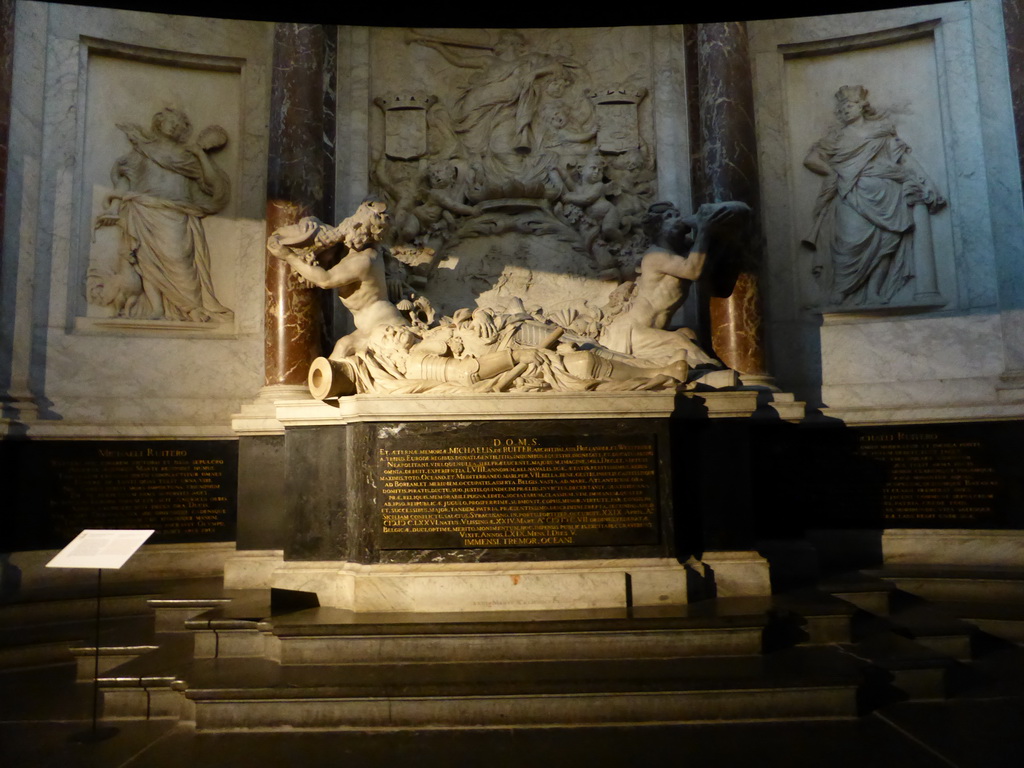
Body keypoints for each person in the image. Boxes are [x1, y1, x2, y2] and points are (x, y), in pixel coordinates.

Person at [802, 85, 945, 306]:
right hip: (852, 193)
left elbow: (904, 158)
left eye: (849, 106)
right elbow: (811, 159)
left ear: (861, 106)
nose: (844, 111)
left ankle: (875, 291)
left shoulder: (881, 131)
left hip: (887, 194)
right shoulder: (836, 136)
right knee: (849, 242)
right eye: (841, 109)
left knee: (886, 243)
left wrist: (925, 181)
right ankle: (841, 290)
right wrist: (838, 172)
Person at [94, 108, 233, 322]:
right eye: (171, 122)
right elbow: (126, 178)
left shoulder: (187, 155)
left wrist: (200, 154)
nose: (174, 127)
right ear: (159, 123)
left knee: (179, 259)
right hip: (144, 209)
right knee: (147, 262)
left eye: (179, 125)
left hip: (175, 212)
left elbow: (213, 185)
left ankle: (193, 307)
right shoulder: (143, 150)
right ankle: (157, 308)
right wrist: (114, 205)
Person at [599, 200, 748, 370]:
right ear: (657, 228)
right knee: (680, 341)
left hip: (653, 329)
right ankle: (718, 376)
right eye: (669, 217)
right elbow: (693, 271)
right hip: (632, 332)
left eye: (678, 215)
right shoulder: (655, 256)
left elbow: (713, 275)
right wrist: (705, 231)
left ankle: (713, 373)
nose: (678, 219)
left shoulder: (684, 253)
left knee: (688, 334)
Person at [266, 200, 409, 358]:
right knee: (341, 349)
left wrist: (288, 256)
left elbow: (325, 280)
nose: (354, 230)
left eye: (360, 228)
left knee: (342, 348)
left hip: (385, 329)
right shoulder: (352, 246)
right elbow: (323, 230)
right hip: (368, 328)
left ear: (368, 234)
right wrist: (309, 221)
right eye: (355, 224)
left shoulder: (364, 260)